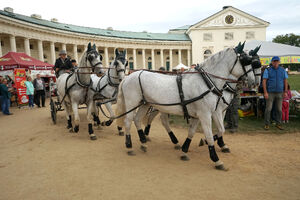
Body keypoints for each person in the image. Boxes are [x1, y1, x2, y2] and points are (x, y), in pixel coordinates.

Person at [262, 56, 288, 130]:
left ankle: (278, 124)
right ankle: (267, 124)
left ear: (279, 62)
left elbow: (285, 81)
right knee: (268, 109)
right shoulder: (268, 70)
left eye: (277, 61)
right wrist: (265, 92)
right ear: (272, 62)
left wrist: (285, 91)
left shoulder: (282, 70)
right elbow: (264, 81)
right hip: (270, 93)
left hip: (280, 92)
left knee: (279, 109)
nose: (275, 63)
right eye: (274, 61)